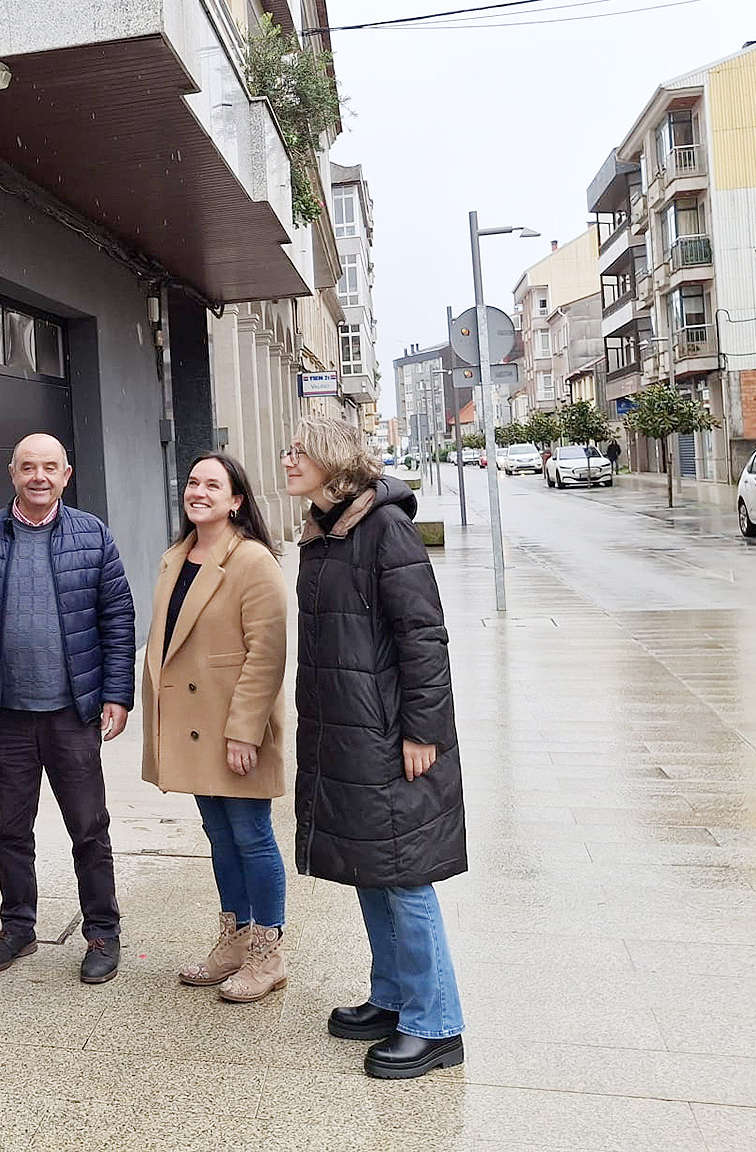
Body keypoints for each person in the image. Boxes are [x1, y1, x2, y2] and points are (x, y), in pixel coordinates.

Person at [284, 415, 467, 1080]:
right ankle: (393, 997)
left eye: (298, 451)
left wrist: (425, 730)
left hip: (391, 734)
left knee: (405, 874)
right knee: (373, 871)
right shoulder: (327, 533)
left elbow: (423, 635)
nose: (287, 460)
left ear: (332, 461)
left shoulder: (384, 528)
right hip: (347, 733)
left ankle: (435, 1023)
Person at [0, 434, 135, 985]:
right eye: (28, 468)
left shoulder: (93, 535)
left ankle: (102, 932)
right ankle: (17, 926)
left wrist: (116, 693)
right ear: (12, 473)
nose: (39, 477)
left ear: (67, 474)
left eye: (50, 468)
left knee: (89, 827)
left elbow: (118, 618)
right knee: (10, 830)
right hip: (4, 714)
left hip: (72, 712)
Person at [142, 453, 290, 1003]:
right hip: (191, 726)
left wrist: (244, 731)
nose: (198, 491)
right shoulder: (175, 557)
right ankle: (233, 939)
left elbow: (267, 653)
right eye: (192, 482)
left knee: (252, 836)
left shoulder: (252, 561)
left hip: (233, 727)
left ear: (237, 500)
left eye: (213, 484)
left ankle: (267, 952)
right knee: (220, 837)